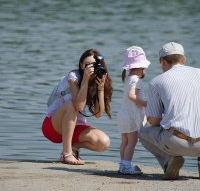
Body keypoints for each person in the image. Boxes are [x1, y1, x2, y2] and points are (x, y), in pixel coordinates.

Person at [139, 42, 200, 180]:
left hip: (177, 142)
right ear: (184, 60)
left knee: (143, 132)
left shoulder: (157, 82)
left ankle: (169, 161)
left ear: (162, 61)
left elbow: (153, 122)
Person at [42, 49, 113, 165]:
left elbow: (98, 114)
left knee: (103, 143)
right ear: (81, 65)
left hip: (74, 127)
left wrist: (100, 89)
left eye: (93, 65)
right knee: (71, 105)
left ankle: (74, 147)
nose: (90, 68)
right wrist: (85, 78)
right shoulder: (73, 76)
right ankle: (66, 154)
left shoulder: (97, 79)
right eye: (87, 65)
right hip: (53, 126)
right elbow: (79, 106)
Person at [117, 46, 150, 174]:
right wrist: (146, 104)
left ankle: (123, 164)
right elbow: (132, 96)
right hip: (130, 115)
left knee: (124, 141)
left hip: (122, 114)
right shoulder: (136, 80)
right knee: (132, 142)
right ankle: (126, 166)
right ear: (141, 67)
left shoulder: (127, 78)